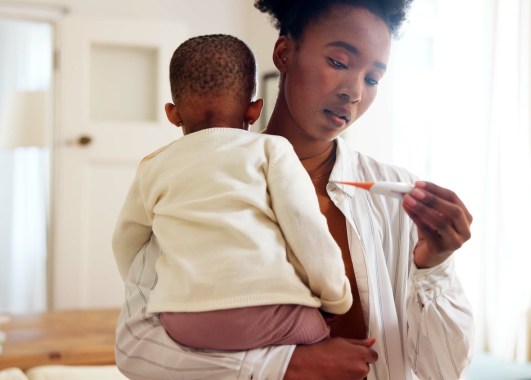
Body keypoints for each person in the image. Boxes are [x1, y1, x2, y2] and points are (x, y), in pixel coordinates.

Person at [115, 1, 475, 379]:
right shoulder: (196, 182)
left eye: (372, 79)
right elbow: (136, 346)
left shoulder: (393, 201)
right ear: (284, 53)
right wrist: (283, 367)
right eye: (338, 62)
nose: (353, 92)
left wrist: (435, 265)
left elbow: (442, 368)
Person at [112, 34, 352, 351]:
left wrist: (158, 288)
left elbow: (126, 242)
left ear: (172, 113)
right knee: (322, 343)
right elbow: (305, 227)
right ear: (254, 111)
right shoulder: (272, 150)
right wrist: (335, 297)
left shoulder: (154, 165)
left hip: (184, 322)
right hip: (267, 309)